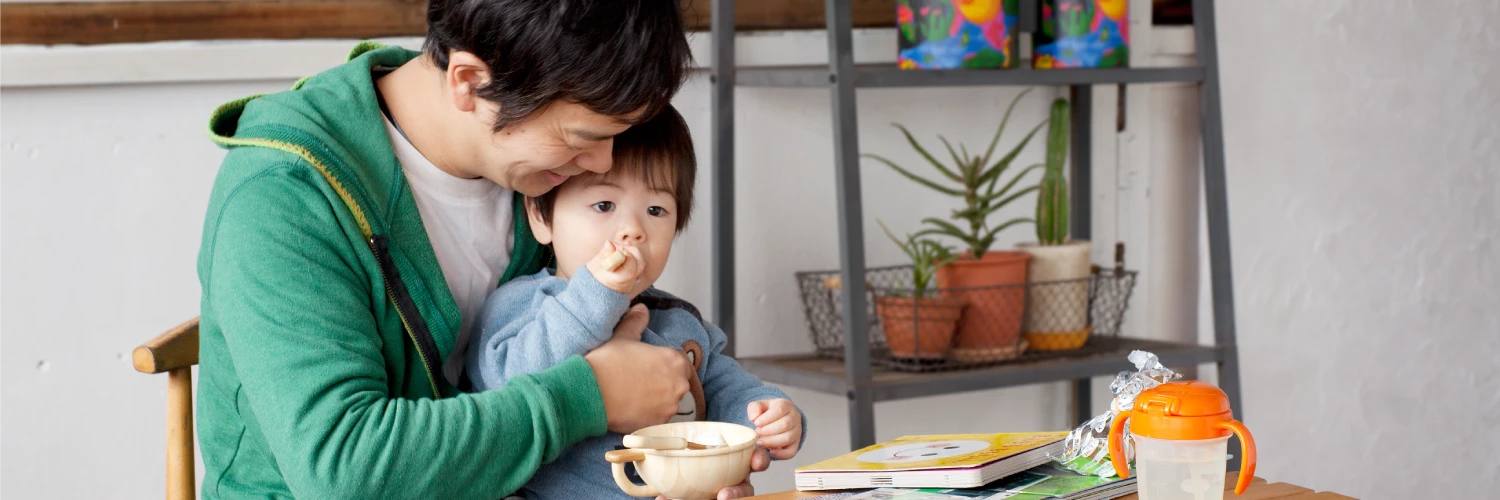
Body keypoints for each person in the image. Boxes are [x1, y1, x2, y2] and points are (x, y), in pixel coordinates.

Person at [195, 1, 776, 497]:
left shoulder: (535, 173)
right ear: (469, 82)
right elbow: (346, 470)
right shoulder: (284, 196)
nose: (601, 166)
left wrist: (686, 458)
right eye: (584, 138)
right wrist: (590, 397)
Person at [467, 105, 805, 499]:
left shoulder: (677, 321)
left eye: (656, 210)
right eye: (604, 205)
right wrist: (596, 295)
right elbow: (512, 387)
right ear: (541, 218)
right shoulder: (522, 306)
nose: (633, 230)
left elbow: (725, 390)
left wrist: (768, 415)